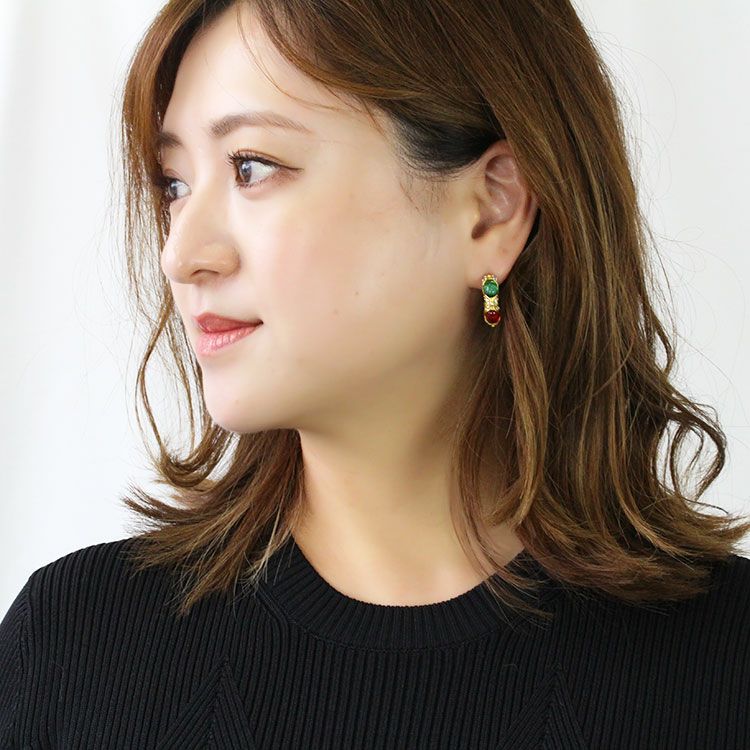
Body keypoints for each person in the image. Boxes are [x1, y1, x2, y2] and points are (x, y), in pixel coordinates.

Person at [1, 0, 748, 747]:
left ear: (491, 210)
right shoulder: (72, 651)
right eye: (173, 184)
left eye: (252, 167)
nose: (181, 254)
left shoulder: (725, 669)